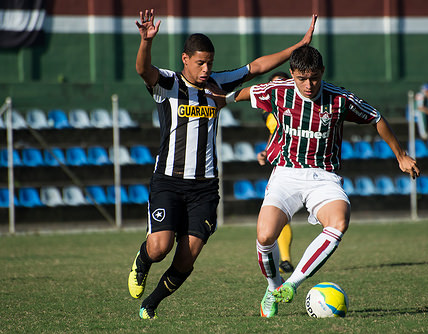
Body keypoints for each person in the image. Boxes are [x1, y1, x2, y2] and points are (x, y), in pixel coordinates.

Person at [127, 8, 317, 320]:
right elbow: (142, 69)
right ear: (185, 59)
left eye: (209, 63)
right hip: (169, 181)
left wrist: (298, 47)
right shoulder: (168, 84)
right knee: (160, 247)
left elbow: (255, 68)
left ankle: (151, 303)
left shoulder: (217, 83)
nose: (205, 69)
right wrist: (146, 42)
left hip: (204, 188)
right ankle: (143, 262)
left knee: (186, 260)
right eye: (200, 62)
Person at [227, 45, 420, 318]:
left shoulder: (340, 99)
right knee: (264, 236)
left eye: (314, 78)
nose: (308, 85)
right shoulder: (277, 91)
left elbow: (376, 117)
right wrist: (215, 100)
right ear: (292, 74)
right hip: (286, 172)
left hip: (324, 176)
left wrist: (400, 155)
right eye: (302, 78)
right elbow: (240, 94)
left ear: (322, 73)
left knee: (339, 222)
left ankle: (291, 283)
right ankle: (273, 289)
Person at [257, 71, 295, 274]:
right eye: (272, 85)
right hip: (282, 166)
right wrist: (266, 151)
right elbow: (276, 134)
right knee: (279, 213)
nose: (276, 89)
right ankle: (285, 260)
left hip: (305, 164)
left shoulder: (298, 106)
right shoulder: (268, 111)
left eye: (281, 84)